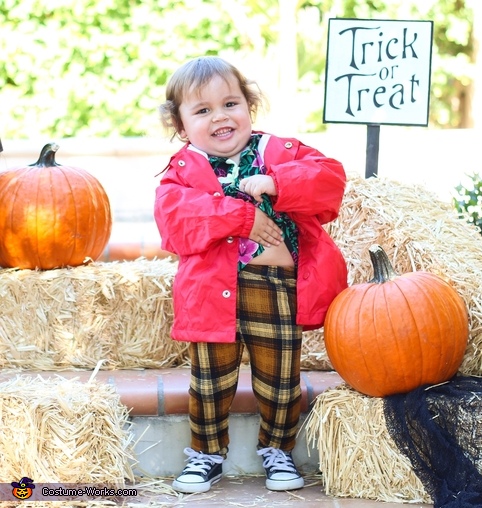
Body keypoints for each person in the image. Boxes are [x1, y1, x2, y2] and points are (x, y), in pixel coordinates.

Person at [154, 56, 348, 494]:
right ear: (181, 126)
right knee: (210, 380)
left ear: (249, 106)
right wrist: (238, 217)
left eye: (230, 103)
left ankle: (277, 448)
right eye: (202, 111)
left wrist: (279, 182)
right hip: (209, 289)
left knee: (280, 377)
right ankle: (206, 453)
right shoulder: (182, 173)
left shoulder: (278, 153)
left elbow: (329, 180)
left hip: (275, 288)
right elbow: (175, 222)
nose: (220, 117)